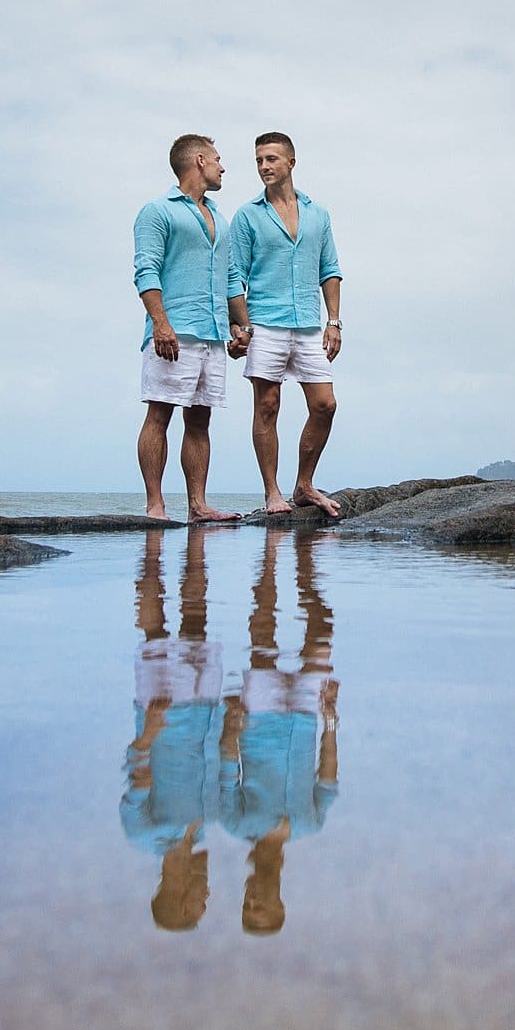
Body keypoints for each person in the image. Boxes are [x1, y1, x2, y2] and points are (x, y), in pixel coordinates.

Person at [219, 524, 338, 934]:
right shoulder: (310, 825)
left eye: (248, 904)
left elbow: (226, 767)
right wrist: (331, 718)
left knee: (263, 634)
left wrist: (232, 722)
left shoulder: (236, 825)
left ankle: (272, 557)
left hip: (262, 717)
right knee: (322, 632)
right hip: (306, 714)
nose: (253, 897)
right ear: (278, 900)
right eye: (260, 906)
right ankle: (307, 569)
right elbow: (327, 776)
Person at [132, 133, 251, 524]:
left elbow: (232, 278)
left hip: (213, 334)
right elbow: (145, 270)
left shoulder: (221, 217)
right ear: (199, 160)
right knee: (160, 414)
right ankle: (155, 506)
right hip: (174, 332)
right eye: (217, 159)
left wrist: (242, 325)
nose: (222, 166)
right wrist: (161, 324)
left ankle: (198, 506)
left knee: (200, 420)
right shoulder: (157, 210)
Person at [225, 130, 344, 517]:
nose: (264, 167)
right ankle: (272, 492)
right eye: (259, 160)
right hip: (265, 324)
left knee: (325, 404)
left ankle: (304, 484)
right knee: (268, 406)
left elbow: (330, 269)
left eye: (271, 159)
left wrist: (334, 322)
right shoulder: (247, 215)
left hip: (309, 323)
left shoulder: (317, 214)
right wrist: (238, 327)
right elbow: (233, 277)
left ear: (291, 162)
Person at [121, 527, 221, 931]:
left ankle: (152, 550)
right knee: (196, 620)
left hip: (160, 714)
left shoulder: (144, 836)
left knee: (155, 633)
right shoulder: (200, 832)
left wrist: (150, 728)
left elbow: (136, 774)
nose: (208, 896)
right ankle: (191, 547)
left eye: (200, 903)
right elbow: (213, 766)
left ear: (179, 900)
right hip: (203, 708)